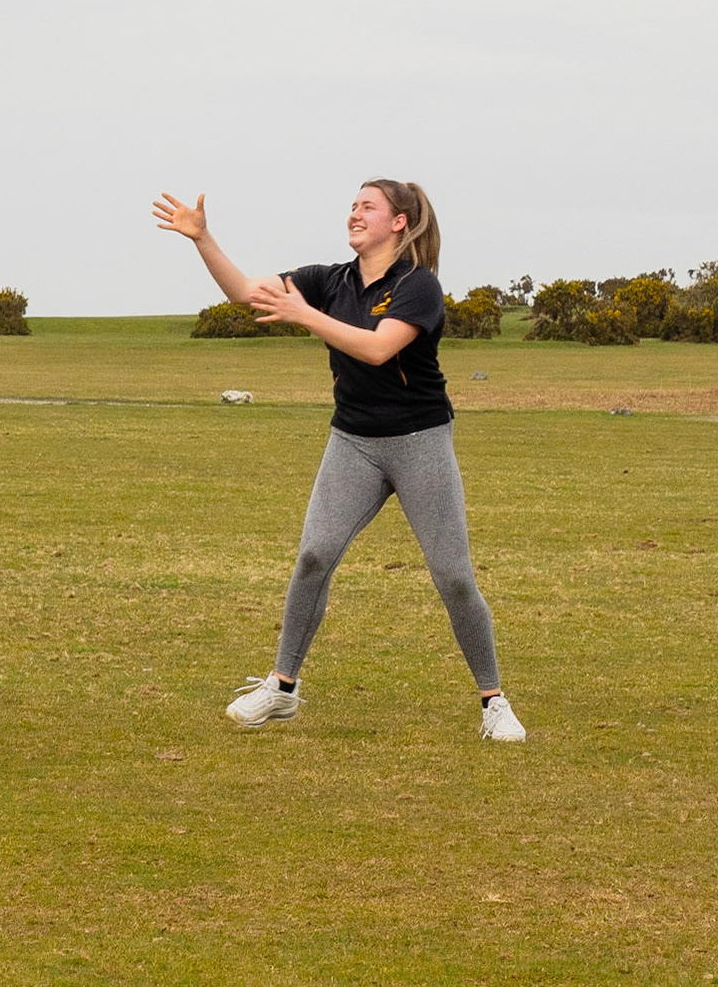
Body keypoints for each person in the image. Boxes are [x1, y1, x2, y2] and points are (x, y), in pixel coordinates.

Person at [152, 180, 525, 741]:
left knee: (452, 577)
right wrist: (202, 238)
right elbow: (243, 293)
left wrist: (303, 315)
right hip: (353, 440)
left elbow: (377, 348)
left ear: (399, 222)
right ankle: (281, 689)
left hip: (420, 439)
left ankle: (494, 703)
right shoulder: (330, 279)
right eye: (352, 205)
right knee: (313, 557)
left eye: (367, 206)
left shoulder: (418, 286)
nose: (354, 213)